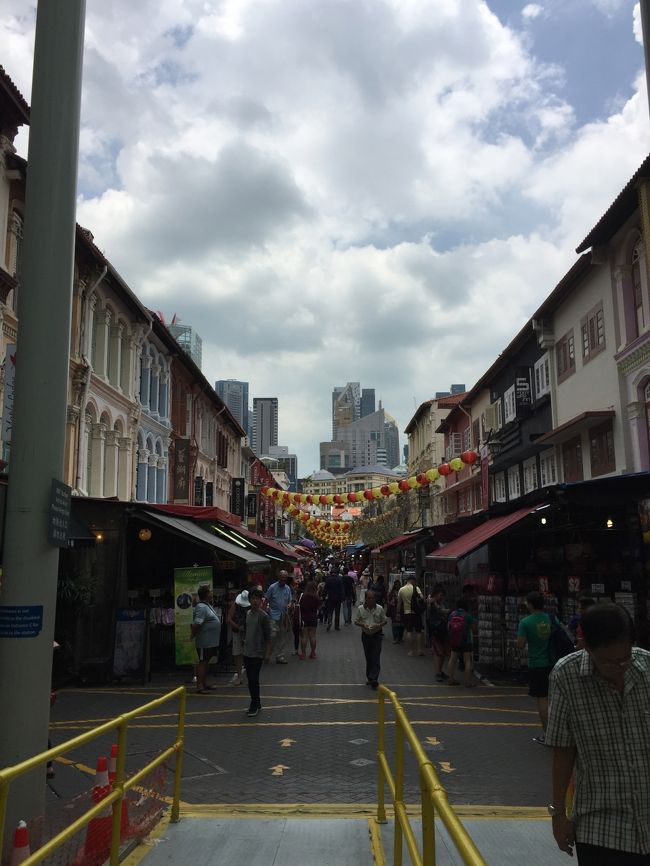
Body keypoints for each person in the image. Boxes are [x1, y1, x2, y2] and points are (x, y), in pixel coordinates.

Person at [546, 602, 650, 865]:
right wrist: (559, 815)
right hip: (602, 828)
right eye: (609, 662)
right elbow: (563, 751)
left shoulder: (647, 668)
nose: (620, 667)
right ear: (587, 647)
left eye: (625, 658)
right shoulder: (566, 676)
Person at [516, 590, 554, 743]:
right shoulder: (551, 618)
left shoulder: (525, 622)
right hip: (553, 662)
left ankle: (548, 734)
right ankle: (558, 731)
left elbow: (520, 644)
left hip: (537, 664)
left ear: (531, 604)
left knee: (542, 699)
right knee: (553, 698)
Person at [241, 588, 272, 717]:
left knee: (254, 679)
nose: (255, 601)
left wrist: (267, 653)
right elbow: (246, 630)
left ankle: (254, 704)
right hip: (247, 652)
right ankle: (256, 702)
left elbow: (268, 636)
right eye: (252, 598)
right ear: (249, 600)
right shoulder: (247, 614)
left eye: (257, 598)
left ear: (261, 600)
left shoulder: (263, 616)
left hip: (257, 653)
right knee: (250, 679)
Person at [354, 589, 388, 689]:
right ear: (365, 599)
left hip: (377, 635)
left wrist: (378, 625)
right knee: (368, 656)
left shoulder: (379, 608)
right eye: (369, 598)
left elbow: (385, 621)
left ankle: (374, 679)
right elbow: (356, 621)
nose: (371, 600)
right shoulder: (361, 609)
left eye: (373, 598)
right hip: (366, 635)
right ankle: (369, 677)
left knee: (376, 656)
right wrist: (363, 624)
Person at [191, 585, 221, 694]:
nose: (212, 593)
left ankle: (204, 682)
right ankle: (199, 686)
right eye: (210, 592)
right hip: (204, 641)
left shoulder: (207, 605)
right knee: (203, 662)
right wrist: (193, 634)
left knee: (206, 661)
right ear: (207, 594)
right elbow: (197, 624)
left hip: (210, 642)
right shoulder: (201, 607)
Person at [446, 599, 477, 687]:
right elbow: (473, 629)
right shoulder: (468, 615)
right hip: (466, 640)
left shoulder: (452, 614)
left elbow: (448, 626)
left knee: (452, 659)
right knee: (467, 661)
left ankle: (451, 679)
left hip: (454, 640)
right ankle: (468, 682)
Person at [265, 570, 292, 663]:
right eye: (282, 578)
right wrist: (265, 612)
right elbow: (266, 600)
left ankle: (280, 656)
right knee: (273, 634)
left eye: (285, 578)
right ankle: (268, 653)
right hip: (273, 614)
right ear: (279, 578)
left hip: (283, 615)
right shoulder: (272, 587)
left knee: (282, 636)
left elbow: (290, 600)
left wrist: (289, 605)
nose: (283, 580)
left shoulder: (287, 588)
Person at [398, 575, 425, 656]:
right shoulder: (416, 588)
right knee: (418, 631)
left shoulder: (401, 589)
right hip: (416, 613)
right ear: (413, 580)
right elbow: (422, 598)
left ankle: (411, 651)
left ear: (407, 580)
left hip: (407, 613)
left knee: (409, 631)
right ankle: (419, 650)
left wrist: (398, 613)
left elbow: (399, 603)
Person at [227, 589, 250, 685]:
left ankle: (249, 676)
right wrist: (237, 626)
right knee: (237, 653)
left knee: (248, 654)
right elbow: (229, 619)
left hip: (248, 632)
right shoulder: (235, 605)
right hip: (237, 632)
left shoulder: (251, 606)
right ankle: (239, 676)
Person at [428, 585, 450, 682]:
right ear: (436, 595)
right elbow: (441, 611)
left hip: (442, 630)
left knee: (443, 653)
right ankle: (437, 673)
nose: (442, 597)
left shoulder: (440, 603)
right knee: (438, 652)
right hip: (435, 630)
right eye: (440, 595)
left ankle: (440, 672)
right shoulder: (432, 603)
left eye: (443, 595)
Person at [298, 580, 320, 659]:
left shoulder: (303, 597)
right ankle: (313, 653)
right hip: (313, 617)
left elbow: (299, 606)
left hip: (304, 618)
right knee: (313, 636)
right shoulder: (316, 597)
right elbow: (319, 606)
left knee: (304, 636)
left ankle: (303, 653)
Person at [387, 579, 404, 644]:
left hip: (401, 609)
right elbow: (389, 601)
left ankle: (400, 638)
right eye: (396, 585)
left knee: (402, 624)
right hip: (394, 610)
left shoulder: (402, 592)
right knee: (395, 624)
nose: (397, 586)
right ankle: (395, 638)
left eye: (398, 584)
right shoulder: (392, 592)